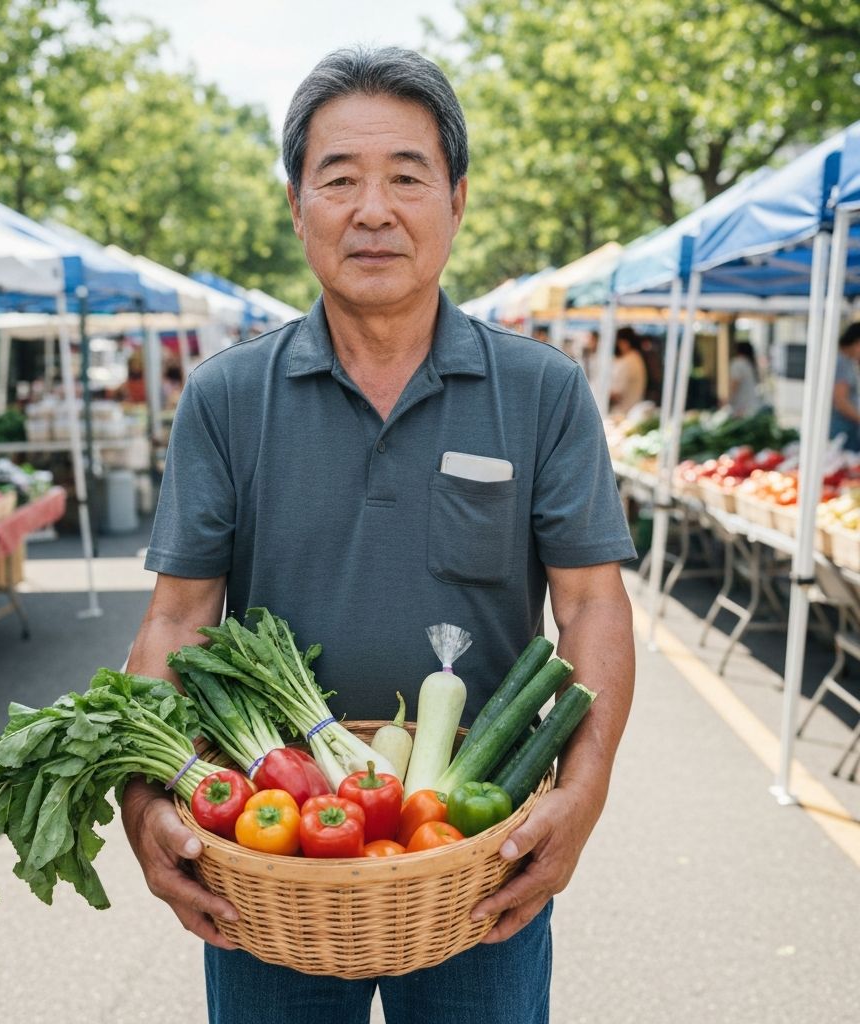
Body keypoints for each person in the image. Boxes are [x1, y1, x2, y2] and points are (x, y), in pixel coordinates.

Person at [122, 46, 635, 1024]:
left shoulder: (542, 391)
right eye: (339, 178)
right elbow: (176, 620)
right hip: (271, 863)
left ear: (457, 200)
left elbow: (590, 601)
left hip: (478, 848)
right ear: (294, 205)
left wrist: (585, 789)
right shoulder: (228, 396)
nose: (372, 209)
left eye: (406, 176)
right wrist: (145, 802)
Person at [829, 323, 860, 451]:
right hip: (844, 429)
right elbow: (840, 401)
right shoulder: (842, 362)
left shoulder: (846, 361)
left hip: (847, 427)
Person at [609, 326, 648, 417]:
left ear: (624, 343)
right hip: (628, 410)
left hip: (623, 412)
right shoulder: (635, 358)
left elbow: (616, 393)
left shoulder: (629, 362)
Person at [727, 340, 762, 418]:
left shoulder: (738, 363)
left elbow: (734, 384)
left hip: (741, 409)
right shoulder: (750, 364)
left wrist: (727, 401)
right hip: (753, 406)